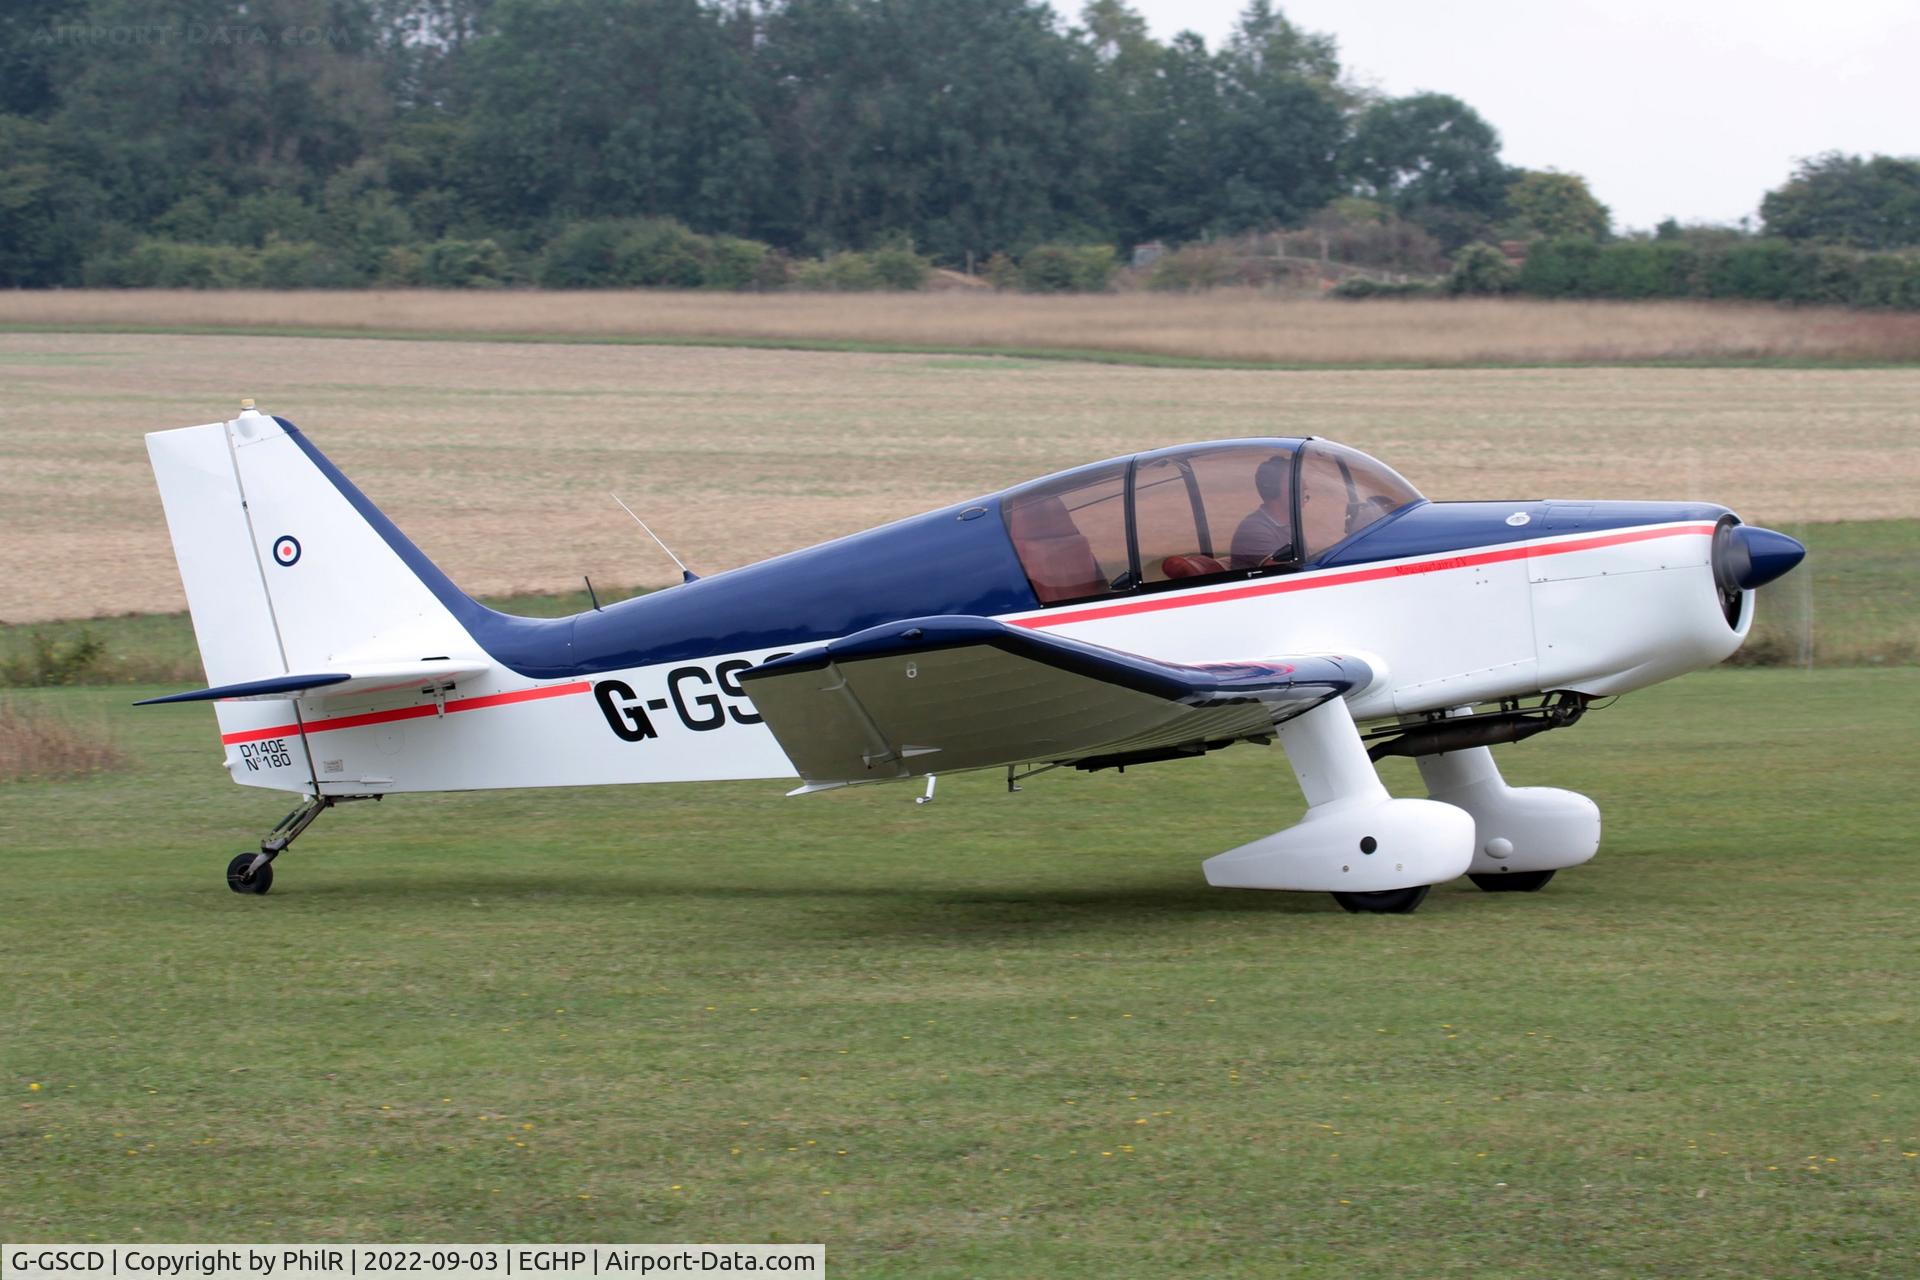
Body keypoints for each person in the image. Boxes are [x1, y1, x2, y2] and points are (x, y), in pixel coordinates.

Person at [1229, 453, 1295, 569]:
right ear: (1273, 488)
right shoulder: (1253, 531)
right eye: (1293, 481)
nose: (1304, 486)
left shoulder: (1290, 525)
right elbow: (1285, 572)